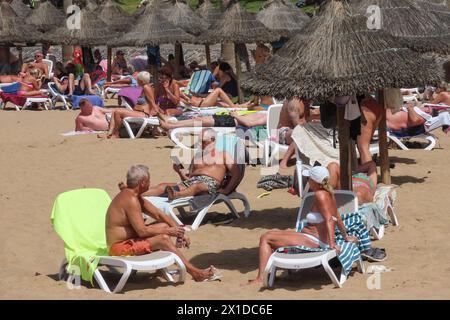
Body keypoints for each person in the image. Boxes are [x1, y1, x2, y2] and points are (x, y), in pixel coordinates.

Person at [245, 166, 359, 286]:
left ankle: (261, 278)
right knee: (271, 233)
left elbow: (330, 219)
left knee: (266, 238)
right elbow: (338, 217)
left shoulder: (321, 195)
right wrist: (345, 236)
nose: (308, 180)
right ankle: (268, 273)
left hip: (314, 240)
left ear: (314, 181)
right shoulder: (329, 193)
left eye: (309, 178)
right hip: (310, 236)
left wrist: (331, 244)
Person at [106, 165, 217, 282]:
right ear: (142, 182)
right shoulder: (131, 200)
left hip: (129, 240)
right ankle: (195, 273)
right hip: (120, 248)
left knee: (163, 225)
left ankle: (160, 269)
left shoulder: (133, 196)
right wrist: (169, 231)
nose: (150, 183)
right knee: (163, 238)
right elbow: (142, 231)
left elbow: (159, 214)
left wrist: (180, 231)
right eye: (149, 180)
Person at [98, 71, 156, 139]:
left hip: (144, 113)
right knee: (115, 111)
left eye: (138, 79)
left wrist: (156, 114)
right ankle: (109, 133)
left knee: (118, 112)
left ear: (141, 80)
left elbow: (152, 102)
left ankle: (116, 134)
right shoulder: (142, 88)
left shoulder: (147, 87)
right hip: (139, 112)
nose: (136, 80)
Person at [276, 99, 308, 169]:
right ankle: (284, 161)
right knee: (301, 133)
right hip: (283, 132)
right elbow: (297, 125)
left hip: (295, 130)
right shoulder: (294, 103)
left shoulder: (305, 101)